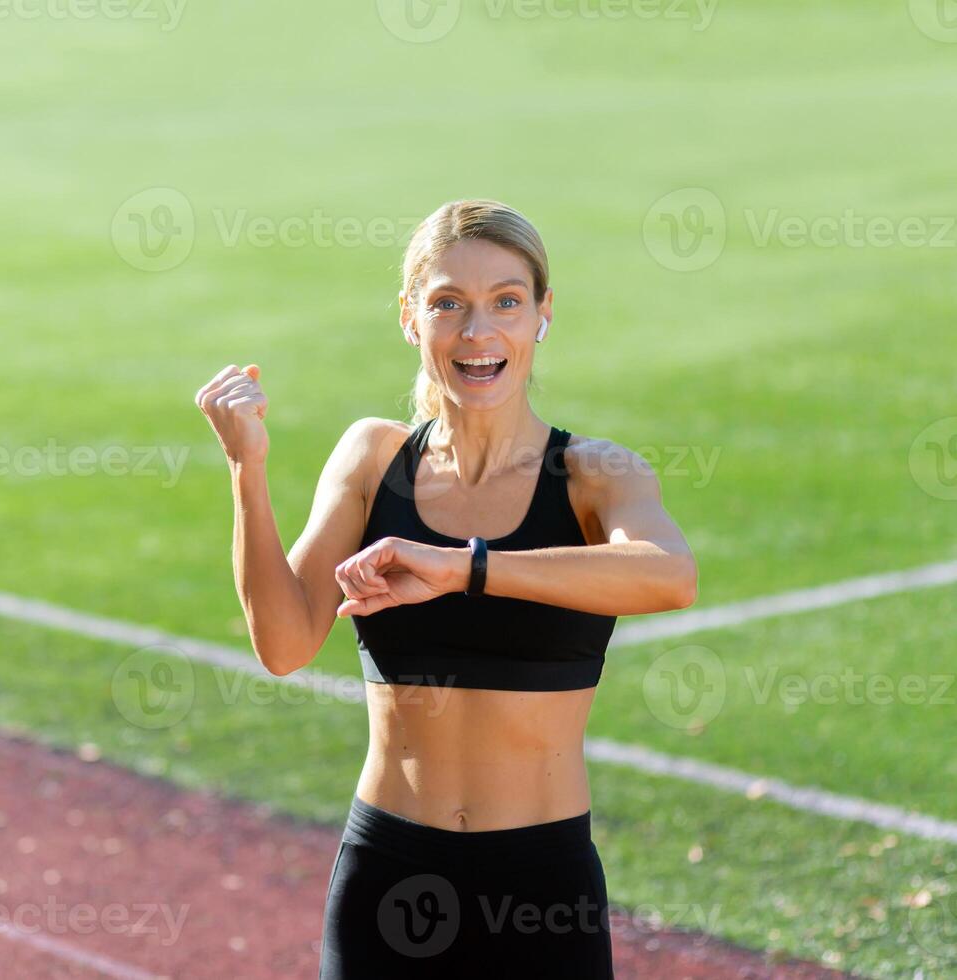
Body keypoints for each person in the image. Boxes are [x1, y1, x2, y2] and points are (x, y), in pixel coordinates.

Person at [194, 199, 697, 977]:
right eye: (447, 305)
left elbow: (670, 576)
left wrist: (463, 565)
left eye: (505, 302)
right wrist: (246, 469)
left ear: (542, 315)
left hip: (540, 890)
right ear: (409, 318)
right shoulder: (372, 457)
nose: (477, 333)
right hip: (389, 874)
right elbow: (285, 644)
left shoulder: (597, 474)